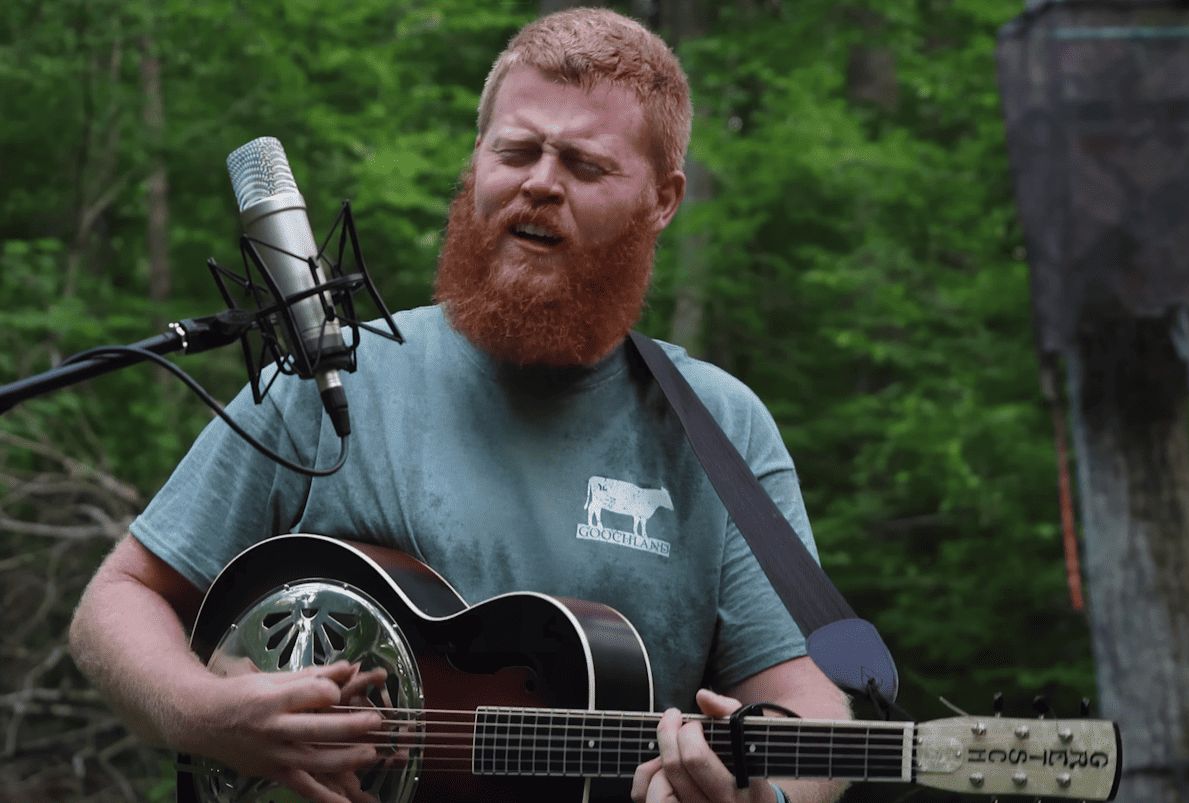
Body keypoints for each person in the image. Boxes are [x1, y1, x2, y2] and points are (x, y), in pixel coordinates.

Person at [68, 8, 851, 803]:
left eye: (584, 164)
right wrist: (203, 711)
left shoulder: (720, 424)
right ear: (477, 161)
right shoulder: (332, 376)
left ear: (663, 199)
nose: (541, 182)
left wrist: (769, 797)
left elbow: (809, 698)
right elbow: (121, 597)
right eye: (515, 151)